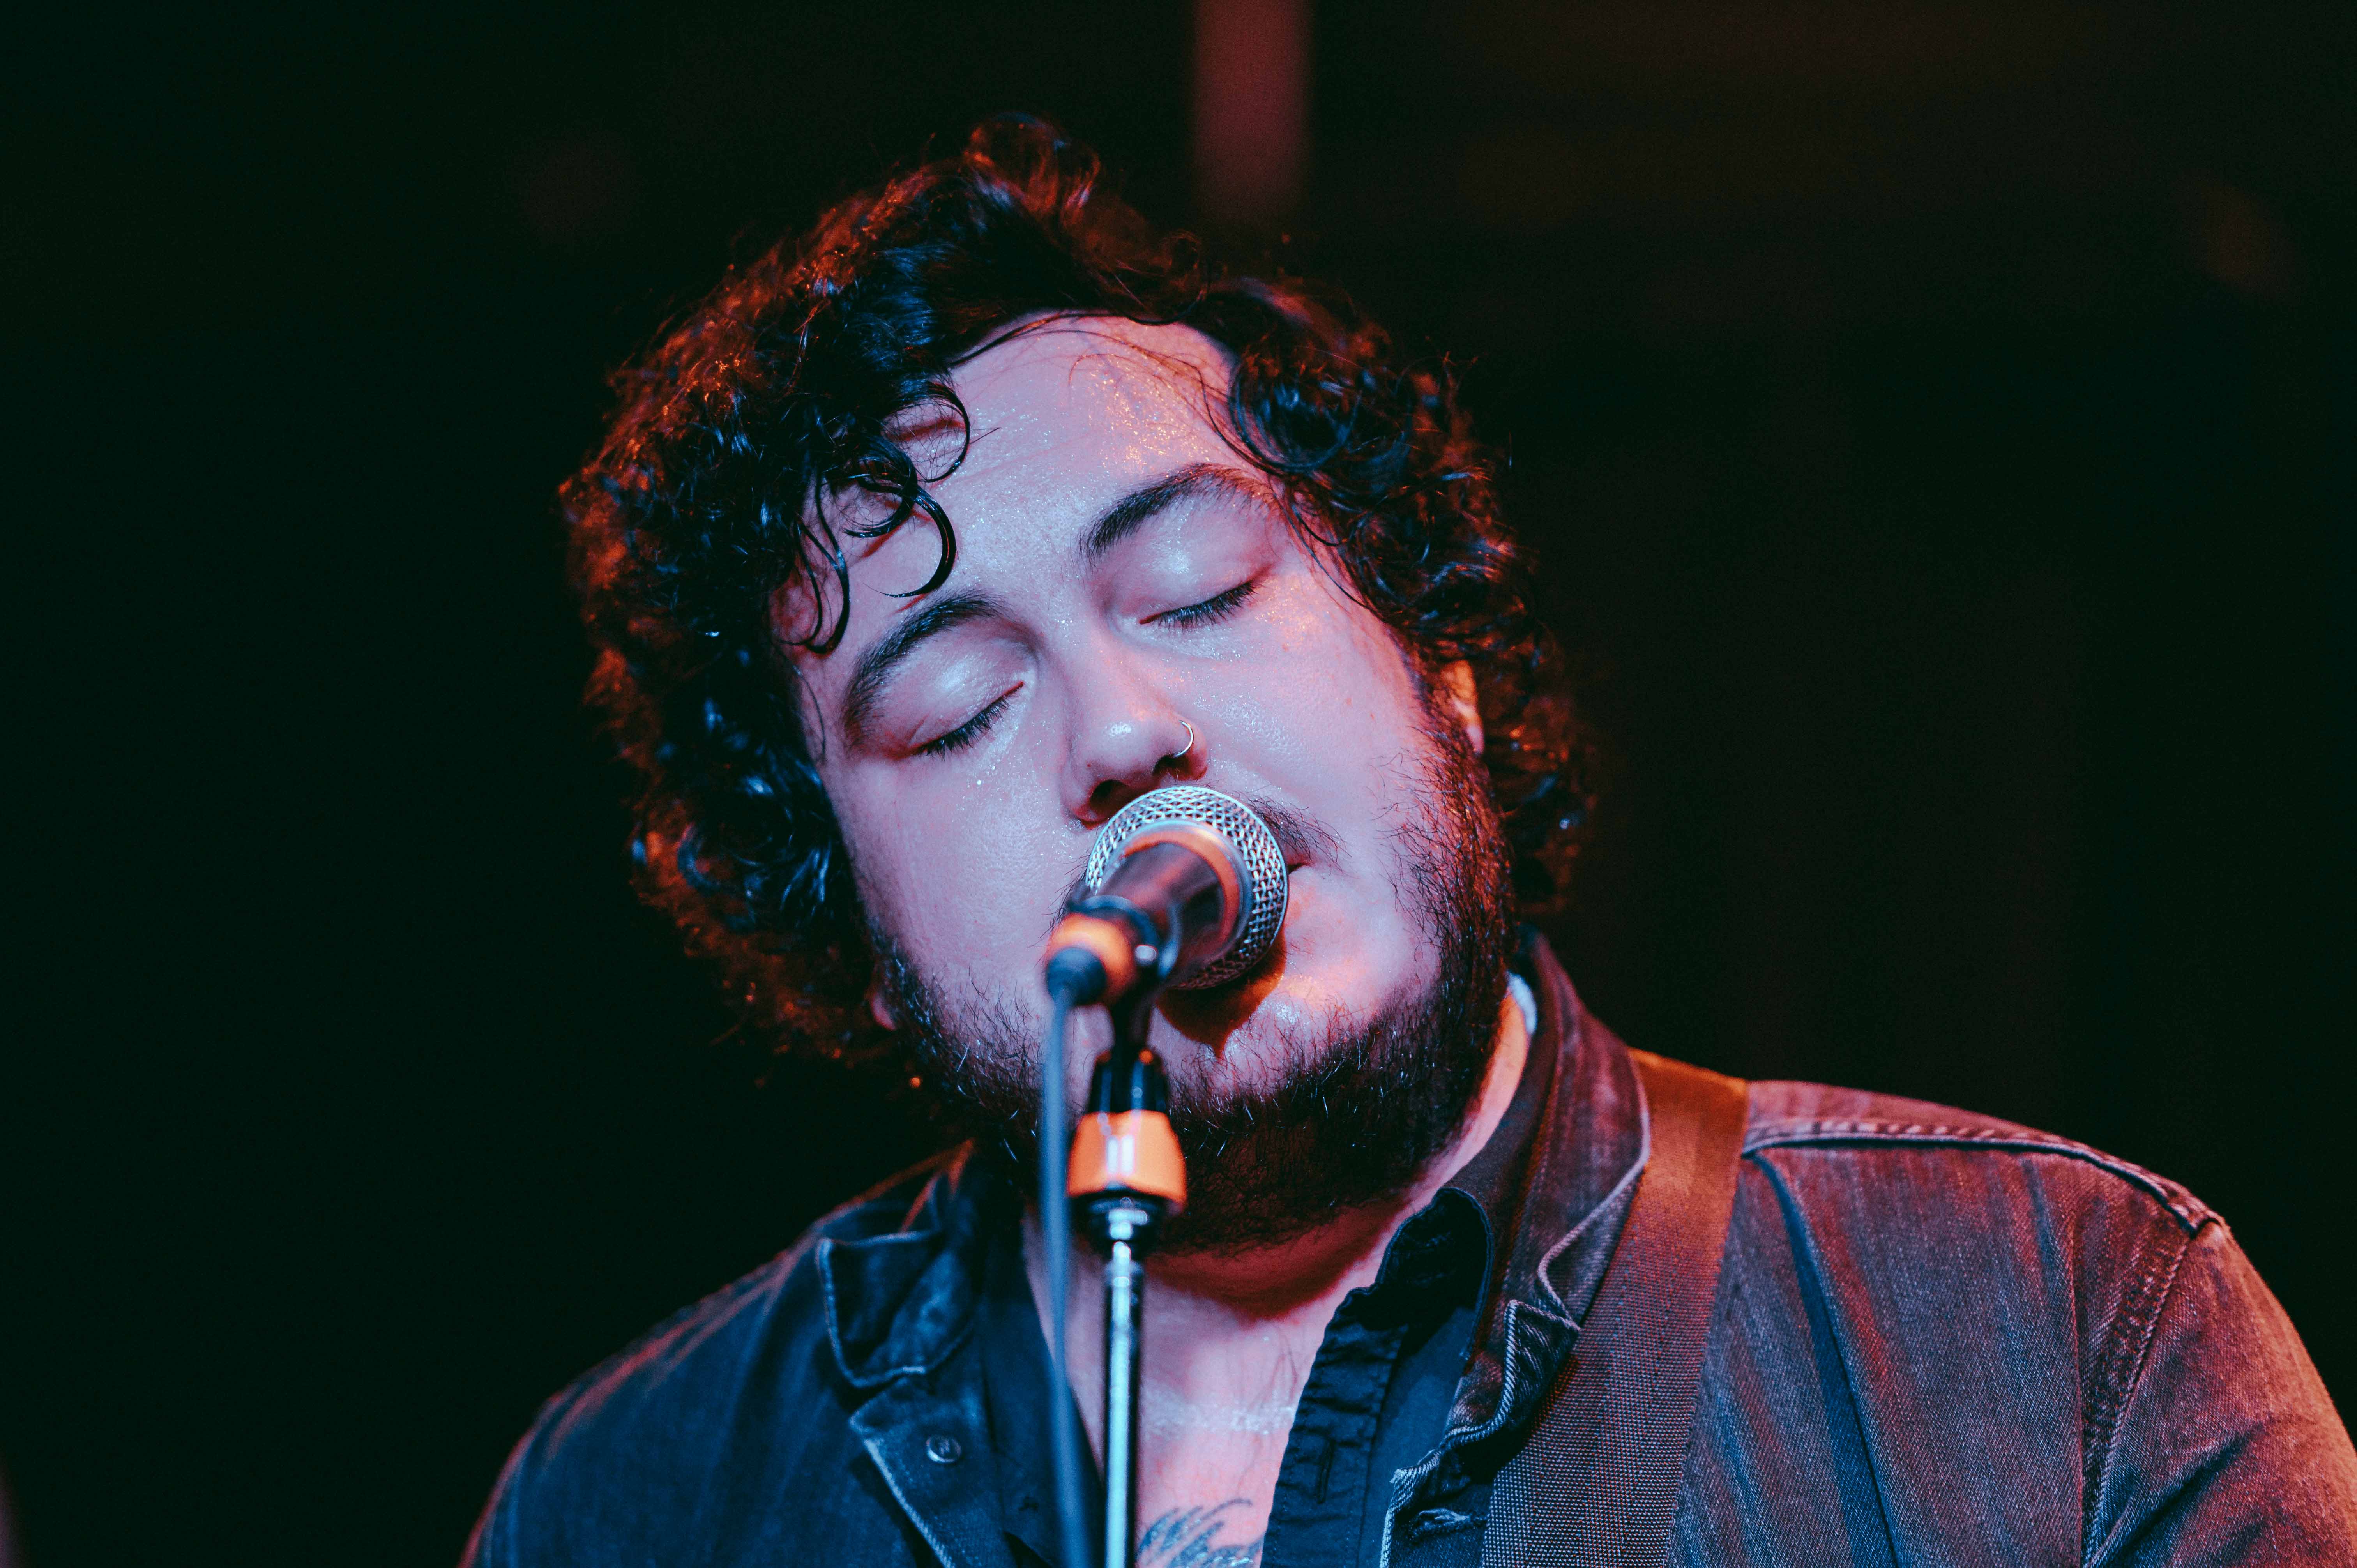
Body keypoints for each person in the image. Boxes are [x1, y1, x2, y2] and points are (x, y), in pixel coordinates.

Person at [462, 117, 2356, 1568]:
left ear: (1441, 677)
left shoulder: (2060, 1329)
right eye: (957, 707)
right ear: (855, 938)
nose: (1121, 731)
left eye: (1200, 587)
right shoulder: (632, 1502)